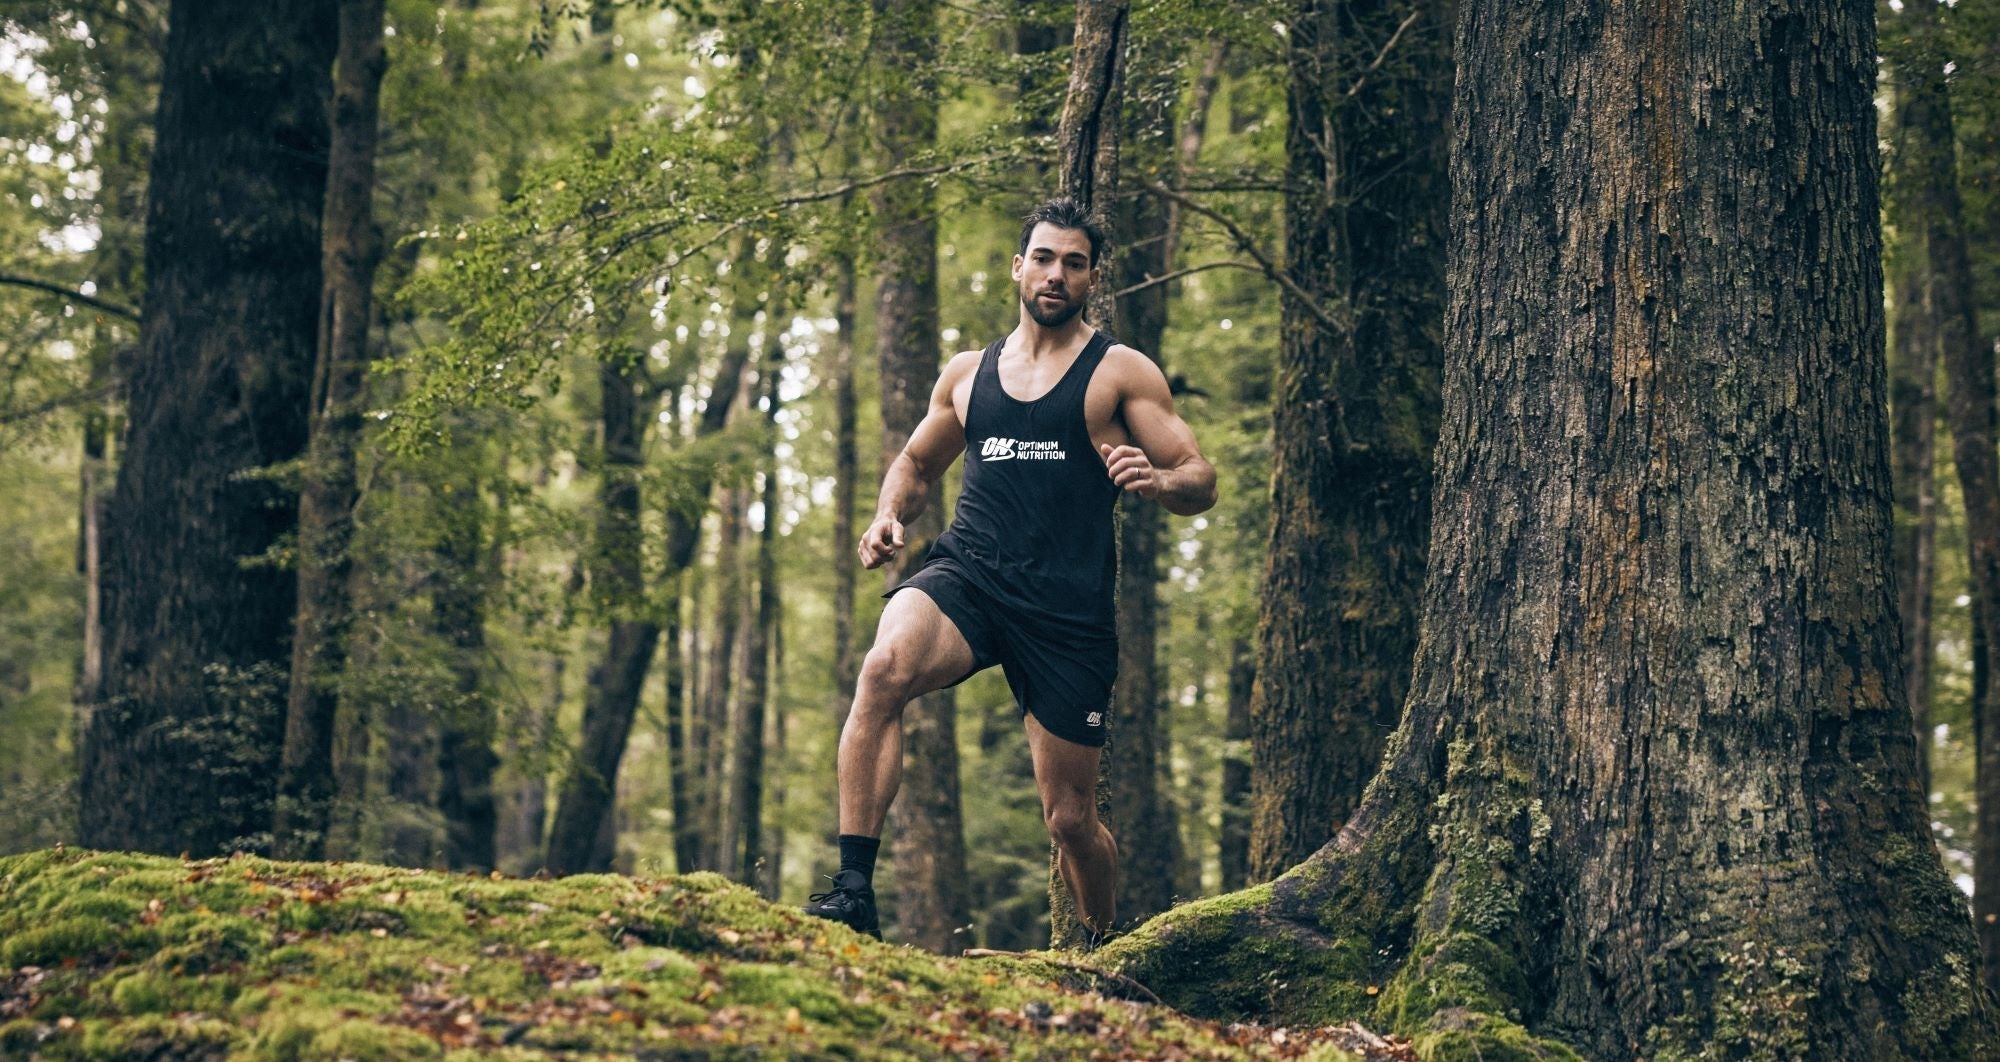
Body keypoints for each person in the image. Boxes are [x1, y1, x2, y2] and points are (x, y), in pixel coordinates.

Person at [802, 197, 1217, 947]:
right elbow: (917, 462)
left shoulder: (1119, 373)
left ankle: (1101, 951)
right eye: (1045, 258)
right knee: (884, 668)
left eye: (1075, 263)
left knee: (1070, 820)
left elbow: (1200, 476)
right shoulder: (969, 374)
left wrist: (1158, 483)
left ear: (1092, 279)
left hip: (1066, 613)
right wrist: (889, 514)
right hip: (971, 578)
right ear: (1018, 266)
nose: (1057, 274)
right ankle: (853, 889)